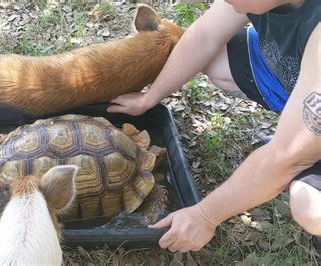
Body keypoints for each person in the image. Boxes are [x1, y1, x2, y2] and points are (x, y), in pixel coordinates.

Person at [107, 0, 320, 252]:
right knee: (212, 56)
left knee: (310, 208)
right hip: (304, 72)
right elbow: (204, 36)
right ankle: (299, 116)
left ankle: (307, 133)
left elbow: (285, 158)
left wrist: (205, 216)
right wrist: (149, 98)